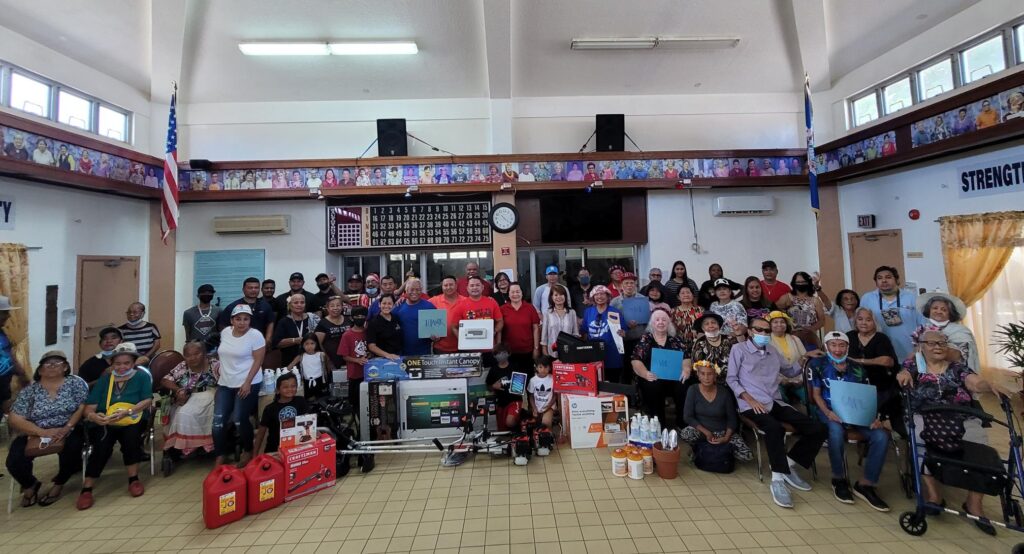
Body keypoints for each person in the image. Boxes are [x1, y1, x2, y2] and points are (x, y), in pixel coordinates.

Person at [896, 330, 1014, 535]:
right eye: (932, 343)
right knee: (920, 441)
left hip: (961, 416)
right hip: (924, 415)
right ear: (921, 346)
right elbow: (902, 373)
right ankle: (934, 495)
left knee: (979, 444)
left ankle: (974, 503)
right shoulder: (915, 365)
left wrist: (989, 384)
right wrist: (903, 375)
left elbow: (975, 382)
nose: (938, 347)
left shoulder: (957, 368)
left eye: (942, 343)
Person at [727, 317, 827, 509]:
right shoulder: (738, 350)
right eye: (759, 330)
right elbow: (731, 379)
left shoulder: (772, 350)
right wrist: (749, 399)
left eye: (767, 331)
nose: (764, 334)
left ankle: (788, 463)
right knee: (774, 428)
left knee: (818, 428)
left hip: (774, 401)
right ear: (750, 331)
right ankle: (778, 479)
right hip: (750, 403)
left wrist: (805, 357)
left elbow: (789, 371)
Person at [809, 332, 891, 511]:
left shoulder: (857, 367)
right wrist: (828, 413)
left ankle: (866, 484)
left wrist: (874, 417)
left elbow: (866, 395)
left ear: (847, 347)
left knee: (881, 436)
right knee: (836, 432)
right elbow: (816, 395)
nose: (837, 349)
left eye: (842, 345)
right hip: (829, 411)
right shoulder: (817, 365)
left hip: (856, 412)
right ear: (826, 346)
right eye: (833, 345)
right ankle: (839, 478)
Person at [5, 350, 88, 507]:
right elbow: (15, 418)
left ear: (65, 367)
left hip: (68, 428)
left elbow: (82, 406)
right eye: (47, 364)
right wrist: (41, 432)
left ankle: (59, 483)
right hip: (35, 431)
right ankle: (30, 484)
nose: (52, 366)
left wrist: (67, 427)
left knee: (73, 448)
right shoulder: (30, 391)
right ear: (40, 370)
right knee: (14, 460)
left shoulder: (75, 383)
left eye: (57, 363)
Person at [77, 343, 153, 510]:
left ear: (133, 363)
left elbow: (147, 400)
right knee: (101, 445)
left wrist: (128, 412)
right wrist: (94, 417)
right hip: (107, 420)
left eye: (126, 363)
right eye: (117, 363)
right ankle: (87, 488)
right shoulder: (105, 380)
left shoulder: (141, 377)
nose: (122, 367)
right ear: (111, 364)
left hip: (132, 417)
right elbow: (90, 407)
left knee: (131, 440)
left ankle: (133, 479)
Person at [212, 304, 265, 467]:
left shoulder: (255, 335)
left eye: (246, 319)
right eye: (238, 319)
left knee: (239, 419)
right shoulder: (225, 333)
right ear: (232, 320)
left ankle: (248, 449)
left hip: (248, 382)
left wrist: (247, 382)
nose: (242, 322)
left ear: (250, 321)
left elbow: (258, 360)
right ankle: (220, 454)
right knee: (218, 421)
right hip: (226, 382)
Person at [681, 360, 753, 462]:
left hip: (722, 432)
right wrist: (707, 433)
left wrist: (726, 437)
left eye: (710, 374)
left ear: (715, 376)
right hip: (702, 432)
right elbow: (688, 417)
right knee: (686, 434)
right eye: (703, 374)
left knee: (747, 456)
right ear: (698, 375)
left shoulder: (724, 392)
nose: (706, 377)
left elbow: (732, 419)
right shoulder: (693, 390)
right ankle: (700, 449)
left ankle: (719, 451)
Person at [630, 309, 688, 429]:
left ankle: (682, 422)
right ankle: (658, 423)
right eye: (657, 320)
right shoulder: (646, 339)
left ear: (669, 323)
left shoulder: (676, 339)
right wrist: (645, 373)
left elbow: (686, 358)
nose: (660, 322)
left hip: (673, 378)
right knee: (653, 385)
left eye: (664, 320)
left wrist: (686, 369)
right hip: (651, 376)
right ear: (652, 324)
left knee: (683, 384)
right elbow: (636, 360)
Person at [847, 307, 901, 431]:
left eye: (868, 320)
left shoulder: (881, 338)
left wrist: (859, 361)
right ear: (855, 321)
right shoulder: (849, 336)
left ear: (874, 322)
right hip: (855, 385)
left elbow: (887, 361)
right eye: (860, 319)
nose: (864, 323)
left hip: (880, 385)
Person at [161, 341, 218, 458]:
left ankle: (201, 444)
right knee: (178, 412)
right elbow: (165, 380)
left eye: (196, 354)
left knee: (185, 413)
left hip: (210, 394)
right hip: (189, 396)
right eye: (188, 355)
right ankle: (184, 445)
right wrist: (178, 390)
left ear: (204, 353)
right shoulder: (183, 366)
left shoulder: (214, 364)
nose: (192, 358)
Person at [859, 265, 921, 363]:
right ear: (876, 282)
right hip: (878, 353)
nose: (884, 280)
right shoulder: (867, 298)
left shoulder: (911, 298)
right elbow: (860, 324)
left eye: (888, 277)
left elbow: (922, 325)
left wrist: (919, 347)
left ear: (896, 280)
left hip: (910, 352)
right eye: (880, 278)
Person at [917, 292, 979, 371]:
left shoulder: (961, 331)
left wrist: (928, 350)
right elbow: (917, 353)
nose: (938, 311)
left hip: (955, 373)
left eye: (944, 310)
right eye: (935, 308)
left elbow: (957, 356)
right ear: (929, 310)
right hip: (927, 372)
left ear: (950, 313)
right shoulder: (923, 329)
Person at [254, 372, 309, 455]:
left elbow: (308, 422)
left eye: (293, 386)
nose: (290, 389)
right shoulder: (270, 409)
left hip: (297, 448)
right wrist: (255, 456)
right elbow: (260, 434)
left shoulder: (301, 401)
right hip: (275, 450)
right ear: (277, 390)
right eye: (285, 387)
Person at [767, 310, 813, 406]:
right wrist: (782, 381)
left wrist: (802, 379)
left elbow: (805, 359)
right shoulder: (766, 341)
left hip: (799, 380)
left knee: (810, 399)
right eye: (775, 322)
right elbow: (766, 367)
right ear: (769, 325)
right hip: (777, 382)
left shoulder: (795, 339)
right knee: (780, 402)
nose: (779, 324)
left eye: (782, 322)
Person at [581, 286, 625, 382]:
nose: (599, 297)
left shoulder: (615, 312)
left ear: (608, 296)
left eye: (602, 294)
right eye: (596, 294)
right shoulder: (588, 312)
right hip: (594, 355)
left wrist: (623, 333)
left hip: (612, 354)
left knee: (612, 383)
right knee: (594, 384)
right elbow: (584, 331)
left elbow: (623, 331)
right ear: (593, 297)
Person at [449, 277, 504, 352]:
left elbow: (500, 321)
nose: (475, 288)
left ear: (482, 287)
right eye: (472, 285)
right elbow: (454, 327)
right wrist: (462, 340)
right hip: (470, 349)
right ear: (467, 288)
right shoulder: (460, 305)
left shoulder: (492, 302)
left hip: (489, 348)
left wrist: (494, 331)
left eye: (477, 285)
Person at [775, 272, 826, 349]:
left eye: (803, 282)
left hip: (809, 337)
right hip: (790, 338)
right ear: (793, 283)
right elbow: (774, 312)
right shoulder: (787, 298)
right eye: (798, 282)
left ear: (808, 283)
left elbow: (822, 320)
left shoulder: (815, 300)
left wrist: (812, 328)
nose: (801, 284)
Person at [611, 273, 650, 373]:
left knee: (641, 367)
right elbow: (611, 323)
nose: (629, 285)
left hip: (639, 339)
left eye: (632, 283)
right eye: (626, 283)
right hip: (623, 341)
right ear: (621, 285)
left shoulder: (643, 300)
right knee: (626, 369)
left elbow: (648, 321)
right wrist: (625, 325)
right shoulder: (614, 302)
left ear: (635, 285)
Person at [500, 283, 541, 375]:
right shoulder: (502, 309)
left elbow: (536, 329)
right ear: (508, 294)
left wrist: (536, 348)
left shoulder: (530, 308)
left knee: (527, 377)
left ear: (522, 293)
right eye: (512, 292)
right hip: (508, 352)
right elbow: (499, 329)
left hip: (527, 351)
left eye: (518, 291)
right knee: (511, 378)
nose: (515, 294)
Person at [219, 277, 276, 343]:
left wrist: (268, 339)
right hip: (239, 343)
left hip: (259, 343)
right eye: (250, 288)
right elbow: (223, 325)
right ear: (243, 289)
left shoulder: (266, 306)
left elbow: (270, 322)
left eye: (256, 288)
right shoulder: (233, 306)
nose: (253, 290)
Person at [1, 295, 29, 424]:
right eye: (5, 312)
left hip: (3, 387)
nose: (8, 316)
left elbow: (9, 354)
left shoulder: (2, 333)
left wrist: (21, 373)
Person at [689, 313, 737, 387]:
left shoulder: (730, 339)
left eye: (713, 322)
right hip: (710, 384)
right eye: (706, 324)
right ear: (703, 328)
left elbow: (740, 357)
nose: (711, 325)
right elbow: (697, 368)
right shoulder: (699, 343)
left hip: (734, 381)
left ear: (718, 325)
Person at [273, 294, 321, 364]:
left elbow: (320, 341)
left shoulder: (313, 319)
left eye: (302, 302)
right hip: (290, 361)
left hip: (312, 361)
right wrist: (295, 340)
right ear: (290, 305)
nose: (299, 305)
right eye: (296, 303)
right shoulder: (283, 322)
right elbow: (277, 343)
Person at [392, 278, 434, 356]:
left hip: (424, 353)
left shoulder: (429, 306)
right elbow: (387, 322)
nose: (414, 292)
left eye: (418, 289)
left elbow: (436, 329)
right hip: (402, 353)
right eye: (411, 289)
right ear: (406, 291)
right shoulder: (399, 305)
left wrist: (436, 337)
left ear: (421, 290)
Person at [338, 307, 369, 413]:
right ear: (352, 318)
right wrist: (357, 360)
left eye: (362, 316)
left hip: (369, 373)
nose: (360, 318)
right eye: (357, 316)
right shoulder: (347, 335)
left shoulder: (368, 332)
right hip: (354, 375)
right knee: (355, 403)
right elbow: (344, 356)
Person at [485, 343, 522, 430]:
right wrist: (493, 386)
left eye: (503, 352)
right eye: (498, 353)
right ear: (494, 355)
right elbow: (488, 386)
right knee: (502, 429)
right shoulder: (493, 370)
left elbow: (520, 388)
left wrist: (517, 387)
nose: (501, 355)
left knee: (510, 422)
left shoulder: (515, 367)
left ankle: (521, 420)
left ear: (508, 353)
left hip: (514, 401)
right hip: (501, 403)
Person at [287, 335, 332, 400]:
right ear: (302, 345)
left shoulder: (321, 354)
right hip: (306, 383)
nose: (309, 346)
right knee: (308, 400)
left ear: (316, 344)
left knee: (321, 400)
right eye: (306, 344)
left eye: (312, 343)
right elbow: (289, 367)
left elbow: (328, 368)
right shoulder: (301, 356)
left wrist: (328, 379)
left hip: (320, 382)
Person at [429, 275, 465, 354]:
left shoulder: (465, 301)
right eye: (445, 285)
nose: (448, 287)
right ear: (442, 287)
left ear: (456, 286)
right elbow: (419, 302)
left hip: (462, 346)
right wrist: (404, 297)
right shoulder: (434, 301)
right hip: (440, 347)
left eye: (451, 285)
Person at [540, 284, 578, 358]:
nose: (559, 297)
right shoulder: (548, 313)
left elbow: (575, 333)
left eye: (561, 294)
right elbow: (544, 334)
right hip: (552, 353)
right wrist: (545, 351)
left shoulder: (572, 312)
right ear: (552, 297)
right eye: (556, 295)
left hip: (569, 352)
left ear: (565, 296)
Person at [315, 296, 349, 370]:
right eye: (332, 306)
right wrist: (327, 361)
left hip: (348, 358)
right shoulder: (322, 323)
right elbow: (318, 343)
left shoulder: (348, 320)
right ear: (327, 308)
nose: (335, 308)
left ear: (342, 307)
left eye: (338, 305)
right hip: (331, 360)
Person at [182, 284, 221, 348]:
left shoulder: (219, 311)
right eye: (204, 293)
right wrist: (188, 347)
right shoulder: (188, 313)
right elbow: (187, 334)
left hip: (214, 348)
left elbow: (221, 331)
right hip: (195, 348)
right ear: (198, 295)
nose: (207, 295)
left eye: (210, 293)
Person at [670, 287, 703, 355]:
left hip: (697, 345)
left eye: (688, 292)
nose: (686, 295)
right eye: (683, 293)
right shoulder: (673, 311)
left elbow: (704, 327)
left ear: (693, 295)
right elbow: (670, 329)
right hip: (679, 345)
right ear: (678, 297)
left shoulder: (700, 310)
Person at [528, 356, 557, 430]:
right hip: (537, 407)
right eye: (540, 367)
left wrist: (548, 406)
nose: (543, 369)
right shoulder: (533, 380)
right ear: (536, 368)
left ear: (550, 368)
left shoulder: (553, 379)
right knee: (535, 426)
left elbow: (555, 395)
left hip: (549, 407)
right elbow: (531, 396)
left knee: (545, 425)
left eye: (546, 367)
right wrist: (534, 408)